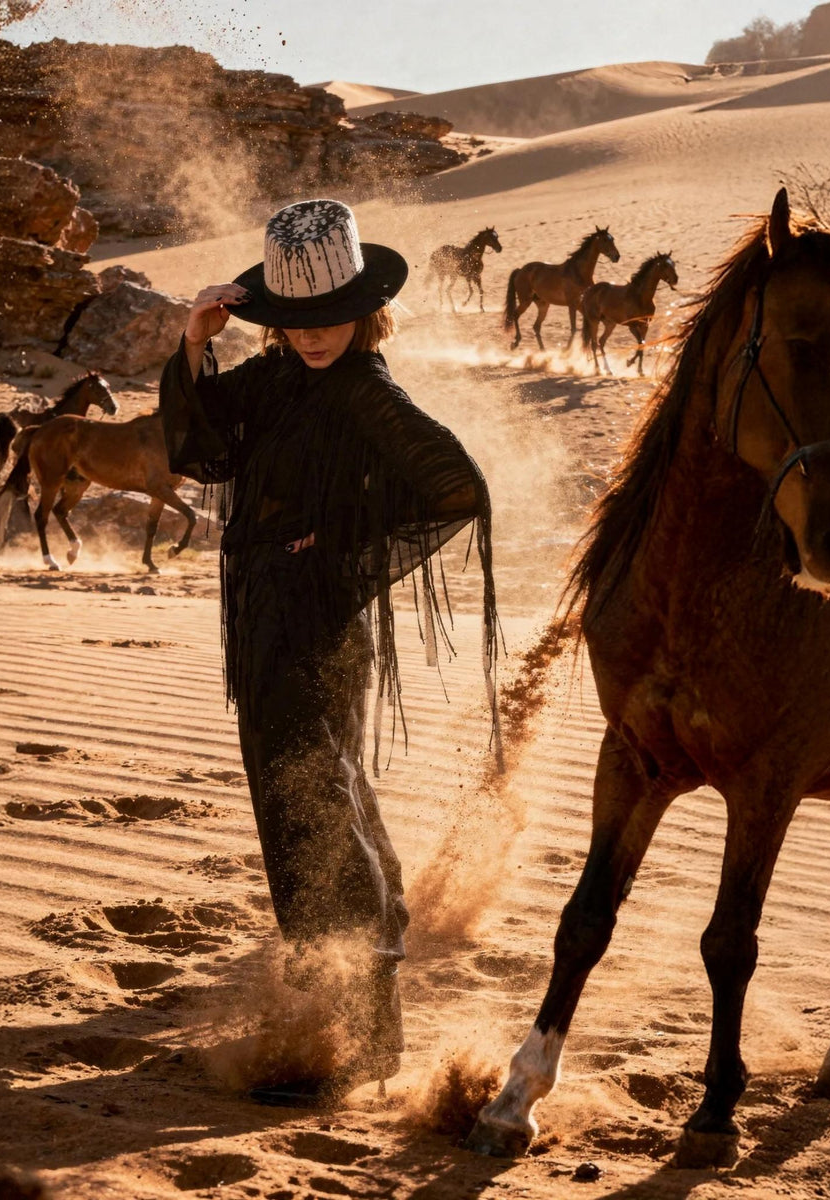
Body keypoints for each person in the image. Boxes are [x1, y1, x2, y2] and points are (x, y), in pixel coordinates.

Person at [159, 199, 499, 1106]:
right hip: (267, 625)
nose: (314, 337)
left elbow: (457, 489)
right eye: (298, 321)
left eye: (330, 317)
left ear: (365, 307)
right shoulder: (270, 382)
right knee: (307, 798)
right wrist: (196, 344)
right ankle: (353, 1020)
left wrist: (342, 547)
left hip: (319, 627)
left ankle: (355, 1028)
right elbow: (197, 449)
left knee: (315, 803)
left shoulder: (367, 393)